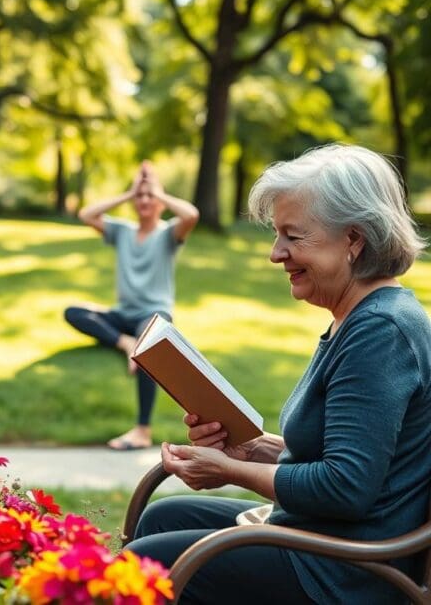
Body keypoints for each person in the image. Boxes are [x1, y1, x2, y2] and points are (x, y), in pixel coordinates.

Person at [126, 143, 431, 603]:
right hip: (321, 539)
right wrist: (253, 448)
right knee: (161, 520)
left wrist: (229, 470)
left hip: (343, 573)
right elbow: (352, 456)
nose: (275, 253)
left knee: (142, 566)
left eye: (293, 236)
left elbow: (345, 488)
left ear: (354, 239)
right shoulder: (360, 317)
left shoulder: (381, 331)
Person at [64, 161, 199, 450]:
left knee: (150, 346)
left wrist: (155, 191)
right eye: (140, 197)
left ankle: (142, 430)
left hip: (153, 314)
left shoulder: (168, 234)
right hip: (123, 314)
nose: (145, 201)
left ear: (161, 202)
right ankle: (126, 343)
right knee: (74, 311)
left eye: (150, 197)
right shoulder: (122, 231)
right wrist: (131, 192)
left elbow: (191, 215)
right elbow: (86, 214)